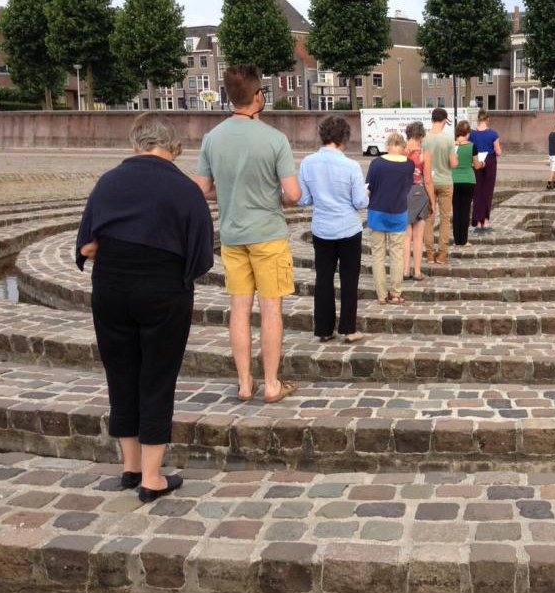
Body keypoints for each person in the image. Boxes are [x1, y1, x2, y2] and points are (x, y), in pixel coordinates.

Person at [76, 113, 214, 503]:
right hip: (163, 290)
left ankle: (131, 468)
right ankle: (152, 479)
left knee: (121, 374)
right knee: (157, 377)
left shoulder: (108, 181)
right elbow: (201, 257)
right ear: (174, 147)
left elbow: (87, 246)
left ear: (135, 143)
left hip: (110, 288)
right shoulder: (186, 189)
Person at [195, 64, 301, 404]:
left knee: (239, 309)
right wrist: (272, 195)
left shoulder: (212, 138)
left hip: (232, 235)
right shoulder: (275, 139)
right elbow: (293, 194)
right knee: (271, 310)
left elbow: (203, 189)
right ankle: (271, 383)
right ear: (258, 96)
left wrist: (231, 192)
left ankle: (244, 383)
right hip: (268, 234)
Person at [298, 115, 368, 343]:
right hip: (348, 229)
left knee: (323, 278)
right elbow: (360, 202)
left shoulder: (307, 163)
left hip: (322, 229)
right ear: (344, 138)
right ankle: (348, 328)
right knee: (349, 279)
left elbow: (304, 199)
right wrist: (367, 192)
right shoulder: (351, 166)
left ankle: (324, 329)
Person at [366, 133, 414, 304]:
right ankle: (396, 293)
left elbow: (368, 188)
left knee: (378, 254)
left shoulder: (376, 163)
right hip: (398, 213)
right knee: (397, 254)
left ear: (387, 146)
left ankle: (381, 295)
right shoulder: (409, 164)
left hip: (377, 212)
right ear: (402, 146)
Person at [422, 108, 458, 265]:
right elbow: (454, 163)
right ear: (445, 121)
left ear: (432, 120)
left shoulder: (424, 139)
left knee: (428, 218)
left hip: (428, 181)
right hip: (445, 181)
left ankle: (430, 255)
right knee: (445, 218)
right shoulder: (449, 138)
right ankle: (442, 255)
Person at [403, 121, 432, 281]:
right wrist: (432, 200)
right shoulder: (424, 154)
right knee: (418, 237)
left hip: (403, 194)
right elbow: (427, 180)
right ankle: (418, 272)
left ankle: (405, 270)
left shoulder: (401, 153)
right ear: (421, 136)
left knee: (406, 236)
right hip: (419, 193)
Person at [469, 109, 502, 232]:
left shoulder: (472, 134)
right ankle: (486, 220)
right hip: (489, 162)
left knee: (477, 192)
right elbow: (498, 152)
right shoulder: (493, 134)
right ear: (488, 119)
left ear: (478, 119)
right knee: (487, 192)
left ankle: (478, 222)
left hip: (476, 161)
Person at [452, 120, 482, 246]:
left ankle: (456, 240)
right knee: (465, 210)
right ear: (468, 133)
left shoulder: (451, 146)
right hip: (468, 180)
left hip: (453, 180)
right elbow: (476, 165)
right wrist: (483, 163)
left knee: (456, 210)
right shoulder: (472, 146)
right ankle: (463, 240)